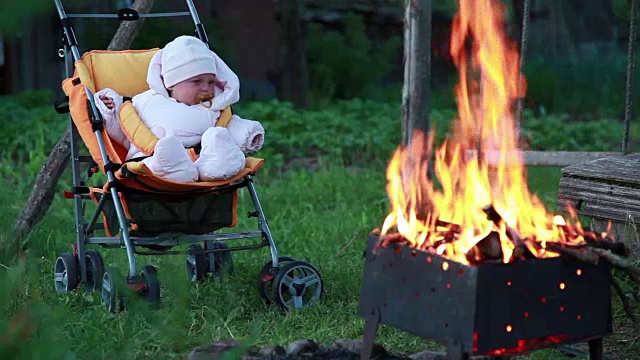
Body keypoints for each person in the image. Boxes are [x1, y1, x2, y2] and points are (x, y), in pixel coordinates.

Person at [94, 35, 265, 182]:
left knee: (217, 137)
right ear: (171, 85)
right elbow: (124, 130)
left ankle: (217, 167)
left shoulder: (213, 109)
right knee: (161, 156)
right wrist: (110, 110)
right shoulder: (147, 102)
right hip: (150, 161)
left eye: (211, 82)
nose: (206, 88)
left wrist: (249, 134)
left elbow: (230, 126)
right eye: (196, 82)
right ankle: (172, 165)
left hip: (200, 162)